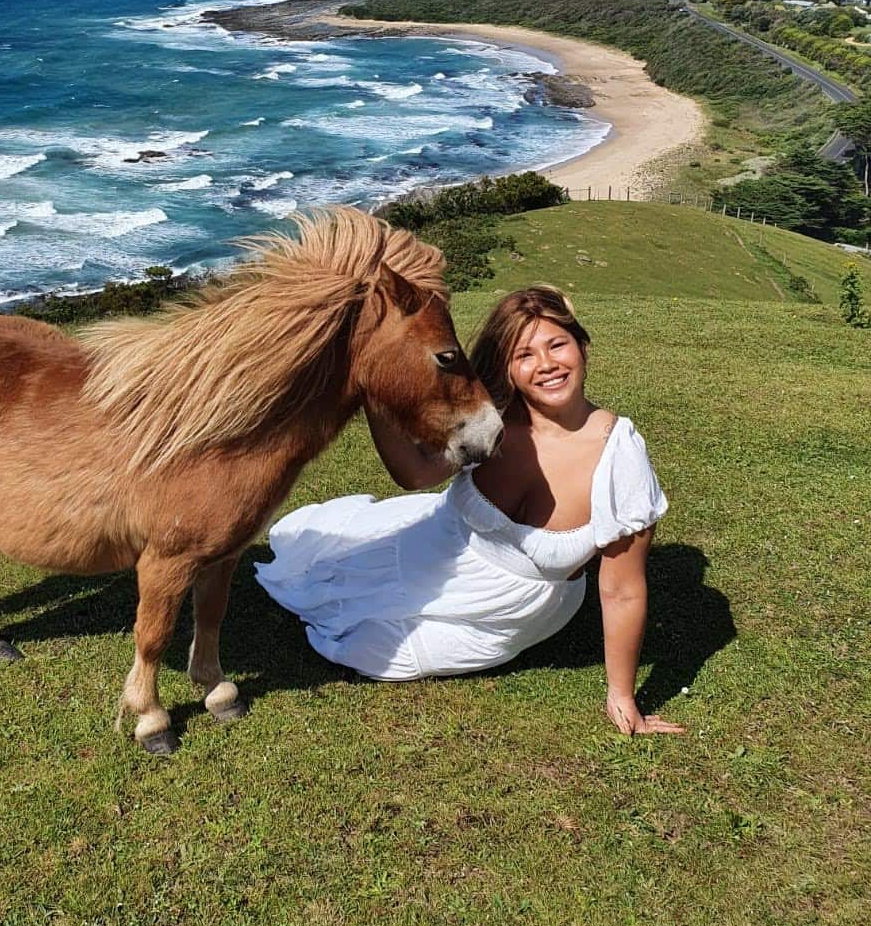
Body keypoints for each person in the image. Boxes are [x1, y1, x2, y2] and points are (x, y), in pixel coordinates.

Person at [255, 284, 684, 735]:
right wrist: (371, 379)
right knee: (306, 548)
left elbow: (621, 591)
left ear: (582, 346)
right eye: (525, 355)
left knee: (370, 652)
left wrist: (622, 696)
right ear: (509, 369)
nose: (547, 365)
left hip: (507, 610)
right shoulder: (492, 418)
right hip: (441, 542)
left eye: (557, 345)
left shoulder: (619, 456)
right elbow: (416, 474)